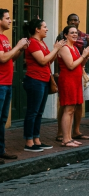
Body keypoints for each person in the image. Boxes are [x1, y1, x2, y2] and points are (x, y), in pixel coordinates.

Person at [23, 19, 65, 152]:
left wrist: (56, 51)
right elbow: (42, 61)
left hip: (44, 80)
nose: (47, 29)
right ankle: (29, 141)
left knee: (39, 112)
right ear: (37, 29)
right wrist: (56, 49)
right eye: (44, 27)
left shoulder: (42, 43)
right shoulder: (33, 43)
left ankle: (37, 139)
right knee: (32, 112)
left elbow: (49, 61)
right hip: (35, 80)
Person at [55, 14, 89, 142]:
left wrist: (86, 56)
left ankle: (70, 137)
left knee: (73, 109)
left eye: (76, 33)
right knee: (68, 109)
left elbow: (80, 64)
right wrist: (83, 56)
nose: (74, 34)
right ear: (65, 35)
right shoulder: (64, 48)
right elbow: (71, 65)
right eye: (71, 33)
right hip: (68, 80)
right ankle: (65, 139)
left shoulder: (75, 48)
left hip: (76, 80)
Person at [0, 9, 28, 161]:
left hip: (7, 83)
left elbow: (10, 59)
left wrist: (20, 50)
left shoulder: (4, 37)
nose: (10, 21)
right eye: (7, 18)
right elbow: (3, 58)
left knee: (3, 119)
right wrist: (18, 46)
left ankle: (1, 150)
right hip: (0, 84)